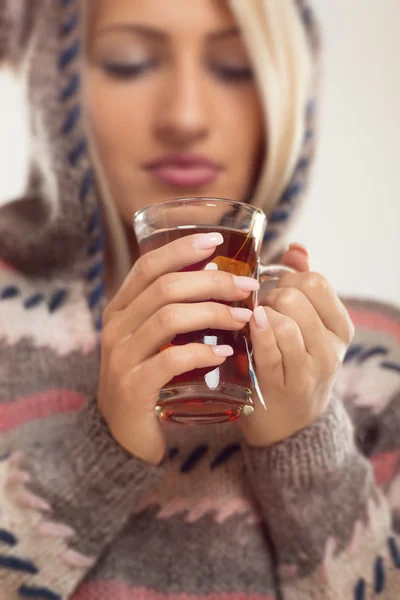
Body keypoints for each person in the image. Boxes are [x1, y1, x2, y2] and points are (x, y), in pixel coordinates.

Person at [0, 0, 399, 598]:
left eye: (236, 67)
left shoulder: (382, 361)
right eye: (130, 63)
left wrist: (308, 450)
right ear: (54, 87)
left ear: (287, 88)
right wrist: (92, 459)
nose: (185, 116)